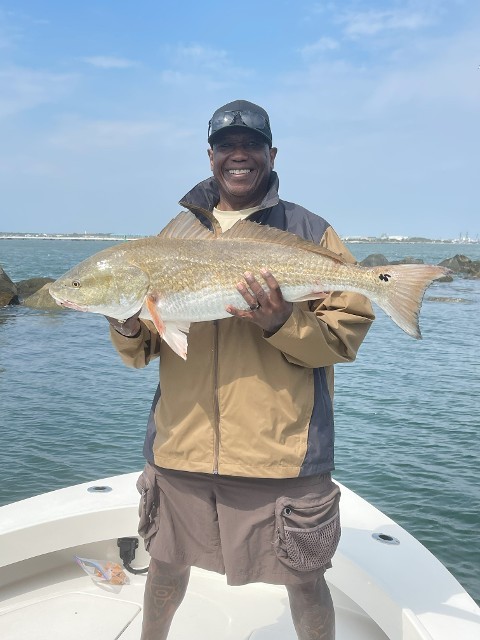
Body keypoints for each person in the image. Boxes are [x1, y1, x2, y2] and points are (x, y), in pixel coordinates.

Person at [107, 99, 374, 640]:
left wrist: (280, 322)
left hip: (281, 451)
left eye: (251, 145)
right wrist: (128, 325)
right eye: (226, 145)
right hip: (182, 444)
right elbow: (143, 352)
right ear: (210, 157)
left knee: (305, 580)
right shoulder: (175, 232)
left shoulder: (310, 230)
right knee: (164, 565)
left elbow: (343, 336)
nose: (239, 155)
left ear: (271, 154)